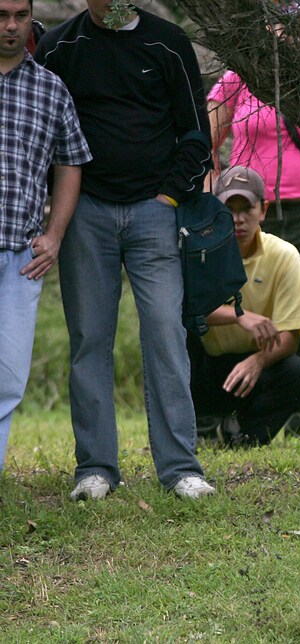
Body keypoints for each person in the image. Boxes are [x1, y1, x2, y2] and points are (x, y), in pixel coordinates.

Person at [35, 1, 216, 500]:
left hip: (154, 210)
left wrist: (170, 195)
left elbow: (197, 134)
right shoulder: (59, 47)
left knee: (165, 333)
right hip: (84, 211)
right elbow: (41, 131)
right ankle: (95, 468)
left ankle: (181, 468)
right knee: (89, 337)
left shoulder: (169, 43)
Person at [207, 1, 300, 438]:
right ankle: (237, 412)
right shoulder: (238, 79)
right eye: (284, 25)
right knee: (237, 310)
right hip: (245, 211)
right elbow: (205, 137)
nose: (293, 35)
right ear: (268, 27)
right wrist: (212, 196)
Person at [0, 0, 90, 477]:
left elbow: (70, 162)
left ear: (30, 16)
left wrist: (55, 236)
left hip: (19, 257)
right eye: (0, 15)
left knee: (8, 379)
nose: (10, 25)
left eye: (18, 14)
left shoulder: (50, 89)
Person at [188, 166, 300, 447]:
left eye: (246, 209)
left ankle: (243, 435)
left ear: (263, 210)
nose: (238, 219)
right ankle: (194, 430)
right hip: (205, 366)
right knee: (176, 338)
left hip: (258, 365)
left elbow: (290, 338)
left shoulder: (284, 256)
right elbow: (185, 309)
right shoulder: (198, 251)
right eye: (229, 209)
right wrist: (239, 316)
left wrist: (258, 360)